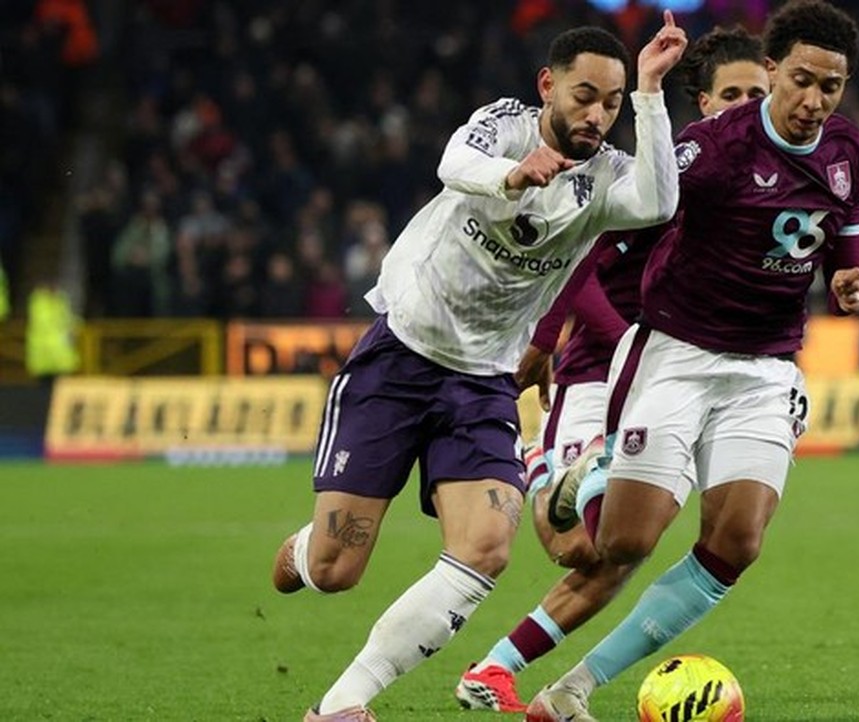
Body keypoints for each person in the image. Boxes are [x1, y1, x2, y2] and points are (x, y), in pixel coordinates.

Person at [268, 16, 689, 722]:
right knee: (338, 571)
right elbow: (454, 163)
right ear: (547, 86)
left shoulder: (608, 175)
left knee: (487, 548)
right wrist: (509, 176)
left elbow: (659, 200)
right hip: (399, 357)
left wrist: (650, 91)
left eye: (610, 104)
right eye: (586, 96)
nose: (596, 115)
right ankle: (306, 550)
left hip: (482, 381)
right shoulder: (504, 125)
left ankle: (340, 706)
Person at [525, 2, 859, 720]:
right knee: (619, 542)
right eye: (801, 80)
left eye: (830, 87)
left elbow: (846, 242)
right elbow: (631, 218)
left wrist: (848, 277)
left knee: (737, 542)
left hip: (767, 367)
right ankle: (580, 469)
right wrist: (542, 336)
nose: (814, 101)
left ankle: (572, 689)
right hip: (677, 353)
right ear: (772, 69)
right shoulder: (713, 149)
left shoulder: (847, 152)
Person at [453, 27, 770, 714]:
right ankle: (543, 462)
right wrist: (562, 338)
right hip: (605, 368)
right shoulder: (674, 170)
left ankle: (502, 672)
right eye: (732, 94)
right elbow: (582, 259)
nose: (746, 105)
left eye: (757, 94)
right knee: (577, 548)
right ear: (704, 100)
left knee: (620, 553)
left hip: (679, 379)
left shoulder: (770, 180)